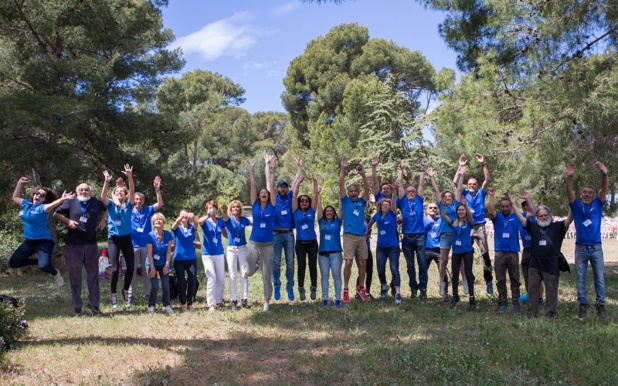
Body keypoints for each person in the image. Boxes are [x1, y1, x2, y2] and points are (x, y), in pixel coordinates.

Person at [511, 196, 572, 318]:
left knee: (551, 291)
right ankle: (531, 312)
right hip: (535, 266)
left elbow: (570, 219)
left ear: (550, 215)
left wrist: (572, 204)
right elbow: (521, 219)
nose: (543, 217)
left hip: (551, 266)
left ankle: (550, 314)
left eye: (545, 215)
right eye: (540, 216)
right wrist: (513, 205)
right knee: (533, 290)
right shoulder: (533, 227)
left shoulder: (558, 227)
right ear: (537, 218)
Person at [54, 182, 108, 315]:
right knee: (75, 276)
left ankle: (94, 305)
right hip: (73, 245)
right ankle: (77, 307)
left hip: (91, 244)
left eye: (86, 190)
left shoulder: (96, 202)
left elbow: (109, 208)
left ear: (90, 191)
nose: (84, 192)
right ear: (76, 191)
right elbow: (56, 214)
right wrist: (68, 221)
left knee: (93, 275)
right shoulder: (70, 201)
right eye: (81, 190)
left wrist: (103, 220)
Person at [10, 177, 74, 287]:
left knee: (44, 266)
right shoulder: (26, 204)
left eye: (42, 195)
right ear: (33, 195)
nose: (38, 196)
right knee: (14, 263)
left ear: (45, 199)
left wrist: (61, 200)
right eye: (37, 193)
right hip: (29, 242)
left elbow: (51, 205)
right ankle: (38, 261)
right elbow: (15, 197)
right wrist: (19, 183)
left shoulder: (43, 208)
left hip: (43, 243)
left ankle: (55, 272)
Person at [566, 162, 609, 319]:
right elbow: (569, 192)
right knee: (580, 277)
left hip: (596, 248)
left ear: (593, 194)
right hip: (581, 248)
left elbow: (603, 189)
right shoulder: (577, 206)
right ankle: (583, 305)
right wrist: (569, 177)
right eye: (584, 192)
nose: (586, 194)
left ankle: (601, 305)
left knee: (599, 277)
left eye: (590, 192)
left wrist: (605, 174)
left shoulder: (598, 204)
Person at [453, 154, 494, 294]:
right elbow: (455, 182)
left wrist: (483, 164)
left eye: (474, 184)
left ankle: (488, 281)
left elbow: (487, 179)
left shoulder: (481, 193)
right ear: (467, 185)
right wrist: (461, 166)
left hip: (479, 226)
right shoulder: (463, 192)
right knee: (463, 253)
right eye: (469, 184)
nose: (471, 186)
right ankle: (466, 280)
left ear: (477, 185)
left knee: (485, 253)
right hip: (466, 226)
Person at [100, 165, 136, 308]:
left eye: (123, 191)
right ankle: (113, 296)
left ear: (125, 194)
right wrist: (106, 182)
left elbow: (132, 190)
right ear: (115, 193)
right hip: (114, 240)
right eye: (118, 191)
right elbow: (103, 196)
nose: (120, 192)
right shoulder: (110, 205)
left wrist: (129, 177)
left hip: (126, 239)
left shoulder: (129, 205)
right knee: (115, 269)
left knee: (131, 268)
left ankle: (125, 290)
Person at [428, 166, 464, 302]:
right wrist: (432, 177)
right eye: (446, 196)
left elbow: (459, 189)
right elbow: (436, 190)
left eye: (450, 196)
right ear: (443, 198)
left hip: (457, 235)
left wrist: (460, 175)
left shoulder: (455, 204)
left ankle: (464, 282)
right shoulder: (441, 204)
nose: (448, 198)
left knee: (460, 261)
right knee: (443, 261)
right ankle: (442, 283)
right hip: (444, 236)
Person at [339, 157, 371, 302]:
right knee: (349, 263)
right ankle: (345, 289)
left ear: (357, 192)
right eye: (350, 191)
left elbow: (367, 189)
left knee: (363, 263)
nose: (353, 193)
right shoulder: (345, 201)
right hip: (349, 236)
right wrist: (343, 169)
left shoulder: (361, 202)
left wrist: (363, 174)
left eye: (355, 191)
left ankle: (361, 287)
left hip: (361, 237)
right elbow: (340, 184)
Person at [248, 155, 277, 311]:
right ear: (259, 196)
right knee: (249, 271)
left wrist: (270, 169)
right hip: (253, 244)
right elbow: (253, 185)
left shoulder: (272, 205)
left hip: (268, 246)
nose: (264, 193)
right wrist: (251, 169)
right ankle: (256, 263)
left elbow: (271, 185)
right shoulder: (254, 205)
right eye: (262, 192)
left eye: (266, 192)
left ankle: (266, 301)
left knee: (267, 275)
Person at [128, 176, 163, 303]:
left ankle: (148, 294)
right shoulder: (129, 210)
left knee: (147, 270)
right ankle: (130, 296)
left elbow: (159, 204)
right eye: (136, 199)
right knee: (131, 271)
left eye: (140, 199)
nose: (138, 201)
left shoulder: (148, 210)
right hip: (132, 245)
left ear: (143, 201)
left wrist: (157, 190)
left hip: (146, 245)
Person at [366, 183, 402, 305]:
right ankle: (384, 287)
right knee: (380, 270)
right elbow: (370, 223)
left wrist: (394, 190)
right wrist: (367, 232)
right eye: (384, 205)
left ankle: (397, 293)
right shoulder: (377, 215)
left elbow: (393, 200)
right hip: (381, 247)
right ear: (380, 207)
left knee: (394, 269)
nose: (386, 206)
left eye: (388, 205)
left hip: (393, 247)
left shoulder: (392, 214)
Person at [272, 157, 302, 301]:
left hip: (289, 235)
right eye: (280, 187)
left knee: (290, 263)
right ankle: (276, 286)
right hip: (276, 234)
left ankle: (290, 287)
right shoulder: (273, 199)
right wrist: (270, 168)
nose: (283, 189)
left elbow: (296, 183)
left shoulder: (290, 196)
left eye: (285, 187)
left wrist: (299, 167)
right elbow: (269, 183)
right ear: (277, 188)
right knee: (276, 262)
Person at [487, 188, 521, 314]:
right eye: (503, 207)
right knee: (500, 280)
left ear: (510, 207)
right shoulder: (498, 217)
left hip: (513, 253)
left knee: (515, 280)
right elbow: (490, 210)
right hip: (499, 253)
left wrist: (515, 204)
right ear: (500, 208)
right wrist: (491, 196)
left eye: (507, 206)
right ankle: (502, 303)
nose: (505, 208)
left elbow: (531, 213)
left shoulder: (515, 217)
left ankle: (516, 305)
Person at [397, 159, 427, 299]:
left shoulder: (419, 200)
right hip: (407, 237)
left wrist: (422, 169)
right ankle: (413, 288)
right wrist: (401, 170)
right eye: (408, 191)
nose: (410, 192)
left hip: (420, 235)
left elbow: (421, 184)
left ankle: (423, 289)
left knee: (422, 263)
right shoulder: (402, 200)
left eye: (412, 191)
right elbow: (399, 184)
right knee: (410, 265)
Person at [441, 200, 476, 310]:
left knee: (468, 273)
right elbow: (443, 215)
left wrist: (466, 206)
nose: (461, 211)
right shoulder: (454, 223)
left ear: (465, 211)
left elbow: (471, 217)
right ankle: (455, 296)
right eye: (459, 210)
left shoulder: (469, 222)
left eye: (463, 210)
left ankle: (472, 298)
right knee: (454, 274)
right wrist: (443, 205)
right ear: (457, 212)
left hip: (467, 251)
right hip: (456, 251)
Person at [292, 174, 319, 301]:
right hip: (300, 243)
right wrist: (298, 183)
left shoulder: (311, 211)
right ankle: (301, 288)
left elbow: (315, 195)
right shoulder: (295, 211)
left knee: (313, 266)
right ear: (299, 202)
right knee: (301, 266)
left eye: (306, 201)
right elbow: (293, 195)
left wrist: (315, 181)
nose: (304, 202)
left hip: (312, 242)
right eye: (302, 200)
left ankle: (313, 288)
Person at [317, 184, 344, 307]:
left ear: (333, 213)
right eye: (327, 211)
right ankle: (325, 299)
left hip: (335, 253)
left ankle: (338, 298)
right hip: (322, 254)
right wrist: (317, 194)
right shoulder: (321, 221)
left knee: (337, 276)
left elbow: (341, 207)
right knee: (324, 277)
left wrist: (340, 195)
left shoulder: (337, 222)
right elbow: (319, 206)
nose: (328, 212)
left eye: (330, 211)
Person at [221, 200, 252, 309]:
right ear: (231, 209)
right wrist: (224, 211)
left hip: (243, 248)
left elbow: (254, 223)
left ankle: (244, 299)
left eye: (237, 207)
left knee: (244, 274)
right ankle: (233, 300)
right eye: (233, 207)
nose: (235, 209)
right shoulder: (229, 220)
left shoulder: (244, 220)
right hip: (231, 250)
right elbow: (225, 218)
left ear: (240, 209)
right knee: (232, 275)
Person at [199, 200, 227, 312]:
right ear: (207, 209)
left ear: (216, 209)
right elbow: (199, 221)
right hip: (207, 254)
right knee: (212, 278)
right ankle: (211, 304)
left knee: (220, 278)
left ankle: (219, 301)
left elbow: (225, 233)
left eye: (214, 207)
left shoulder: (220, 221)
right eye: (209, 208)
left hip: (219, 252)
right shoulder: (205, 221)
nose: (212, 209)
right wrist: (207, 215)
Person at [171, 209, 201, 311]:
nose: (184, 216)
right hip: (179, 259)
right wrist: (180, 217)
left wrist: (193, 216)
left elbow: (196, 223)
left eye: (185, 214)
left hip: (191, 258)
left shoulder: (191, 228)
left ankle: (190, 302)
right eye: (181, 214)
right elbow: (173, 225)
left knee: (192, 280)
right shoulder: (177, 229)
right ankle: (183, 302)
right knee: (182, 281)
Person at [145, 213, 174, 314]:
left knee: (165, 285)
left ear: (163, 223)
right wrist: (152, 268)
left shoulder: (168, 235)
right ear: (153, 222)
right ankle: (151, 305)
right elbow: (149, 253)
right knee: (155, 286)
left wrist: (167, 265)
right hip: (151, 263)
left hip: (163, 263)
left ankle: (166, 304)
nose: (158, 221)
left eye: (160, 219)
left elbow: (168, 252)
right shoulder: (150, 236)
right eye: (156, 220)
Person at [517, 197, 539, 304]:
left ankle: (539, 299)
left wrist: (529, 200)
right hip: (526, 250)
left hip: (536, 249)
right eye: (523, 205)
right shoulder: (520, 219)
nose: (526, 207)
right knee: (526, 276)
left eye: (527, 205)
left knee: (538, 276)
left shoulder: (535, 218)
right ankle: (530, 296)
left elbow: (535, 213)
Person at [423, 203, 448, 297]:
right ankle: (423, 291)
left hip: (439, 250)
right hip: (426, 250)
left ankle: (445, 292)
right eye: (430, 207)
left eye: (435, 208)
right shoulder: (423, 220)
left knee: (443, 271)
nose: (432, 209)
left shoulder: (441, 220)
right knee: (423, 271)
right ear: (427, 209)